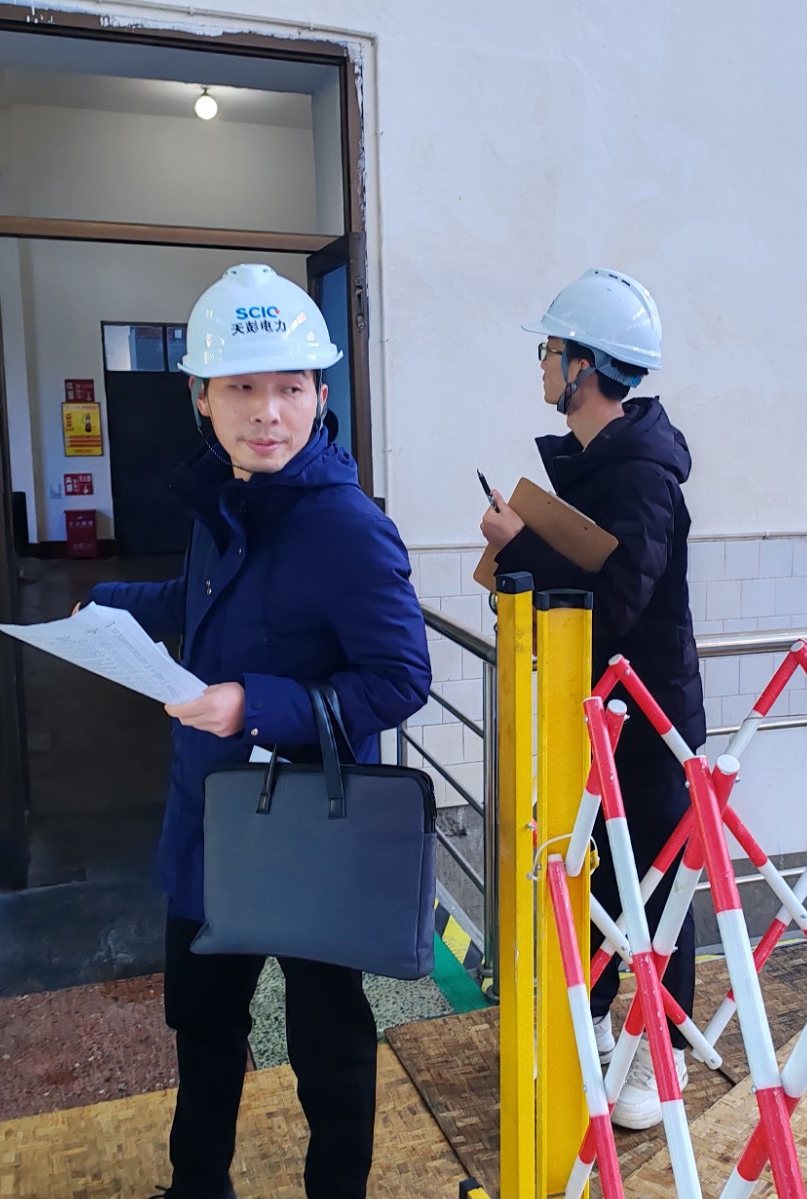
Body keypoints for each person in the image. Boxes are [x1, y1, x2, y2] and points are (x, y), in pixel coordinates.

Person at [88, 264, 431, 1199]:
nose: (268, 411)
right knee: (202, 1021)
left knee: (326, 1038)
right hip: (210, 813)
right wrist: (106, 607)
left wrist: (253, 704)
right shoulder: (223, 497)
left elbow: (401, 679)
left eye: (290, 386)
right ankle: (197, 1186)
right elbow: (201, 600)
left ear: (320, 393)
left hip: (310, 825)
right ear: (202, 396)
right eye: (242, 386)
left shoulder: (348, 528)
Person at [479, 268, 705, 1131]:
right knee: (602, 872)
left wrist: (518, 546)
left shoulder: (640, 474)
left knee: (659, 886)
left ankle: (659, 1052)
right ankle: (602, 1020)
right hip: (600, 713)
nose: (541, 363)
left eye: (549, 349)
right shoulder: (598, 463)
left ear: (584, 366)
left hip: (649, 723)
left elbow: (612, 604)